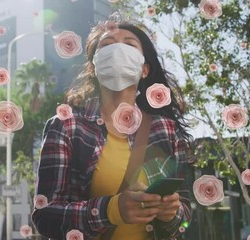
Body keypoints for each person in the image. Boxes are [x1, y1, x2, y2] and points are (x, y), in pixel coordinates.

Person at [32, 19, 193, 240]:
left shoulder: (166, 130)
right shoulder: (66, 125)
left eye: (129, 44)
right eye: (107, 44)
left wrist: (172, 214)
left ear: (145, 69)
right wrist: (110, 210)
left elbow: (184, 214)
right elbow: (45, 215)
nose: (118, 50)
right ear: (94, 66)